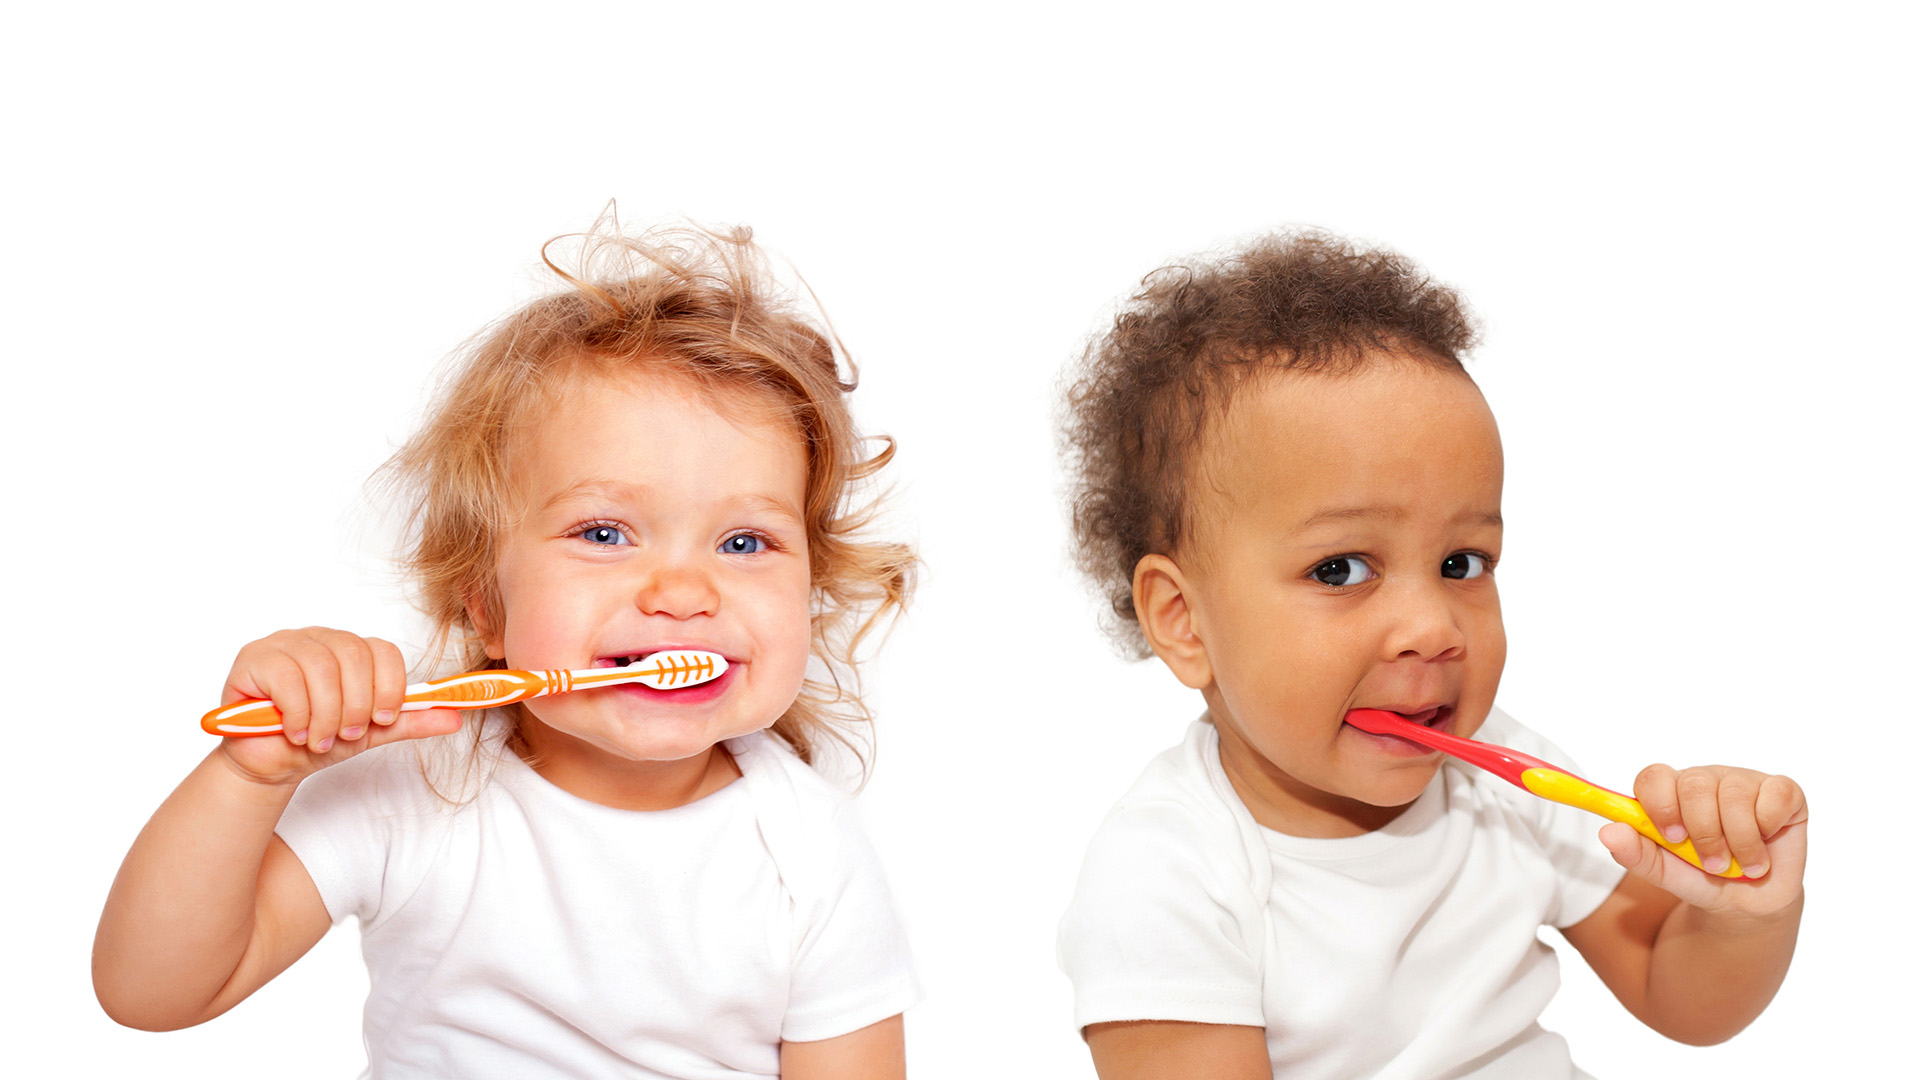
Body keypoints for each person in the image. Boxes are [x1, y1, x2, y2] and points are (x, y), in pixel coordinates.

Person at [94, 221, 918, 1079]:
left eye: (745, 543)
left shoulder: (808, 851)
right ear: (485, 606)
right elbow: (152, 995)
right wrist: (248, 776)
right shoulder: (413, 791)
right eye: (604, 532)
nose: (683, 592)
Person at [1054, 232, 1808, 1079]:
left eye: (1461, 564)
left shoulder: (1508, 782)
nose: (1432, 625)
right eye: (1340, 570)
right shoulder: (1166, 880)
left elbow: (1681, 995)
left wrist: (1745, 913)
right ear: (1183, 620)